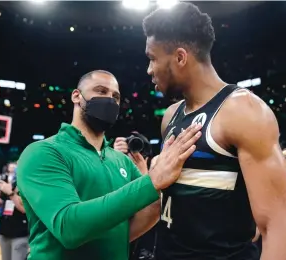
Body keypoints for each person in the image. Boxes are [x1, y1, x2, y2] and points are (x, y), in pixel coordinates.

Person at [142, 3, 286, 260]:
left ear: (181, 57)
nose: (149, 69)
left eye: (152, 58)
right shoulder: (170, 117)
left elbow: (280, 229)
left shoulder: (243, 111)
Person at [17, 70, 202, 260]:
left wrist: (165, 178)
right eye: (100, 91)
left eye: (116, 96)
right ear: (76, 96)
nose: (110, 100)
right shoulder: (43, 152)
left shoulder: (122, 161)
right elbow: (68, 228)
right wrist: (152, 181)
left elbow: (129, 227)